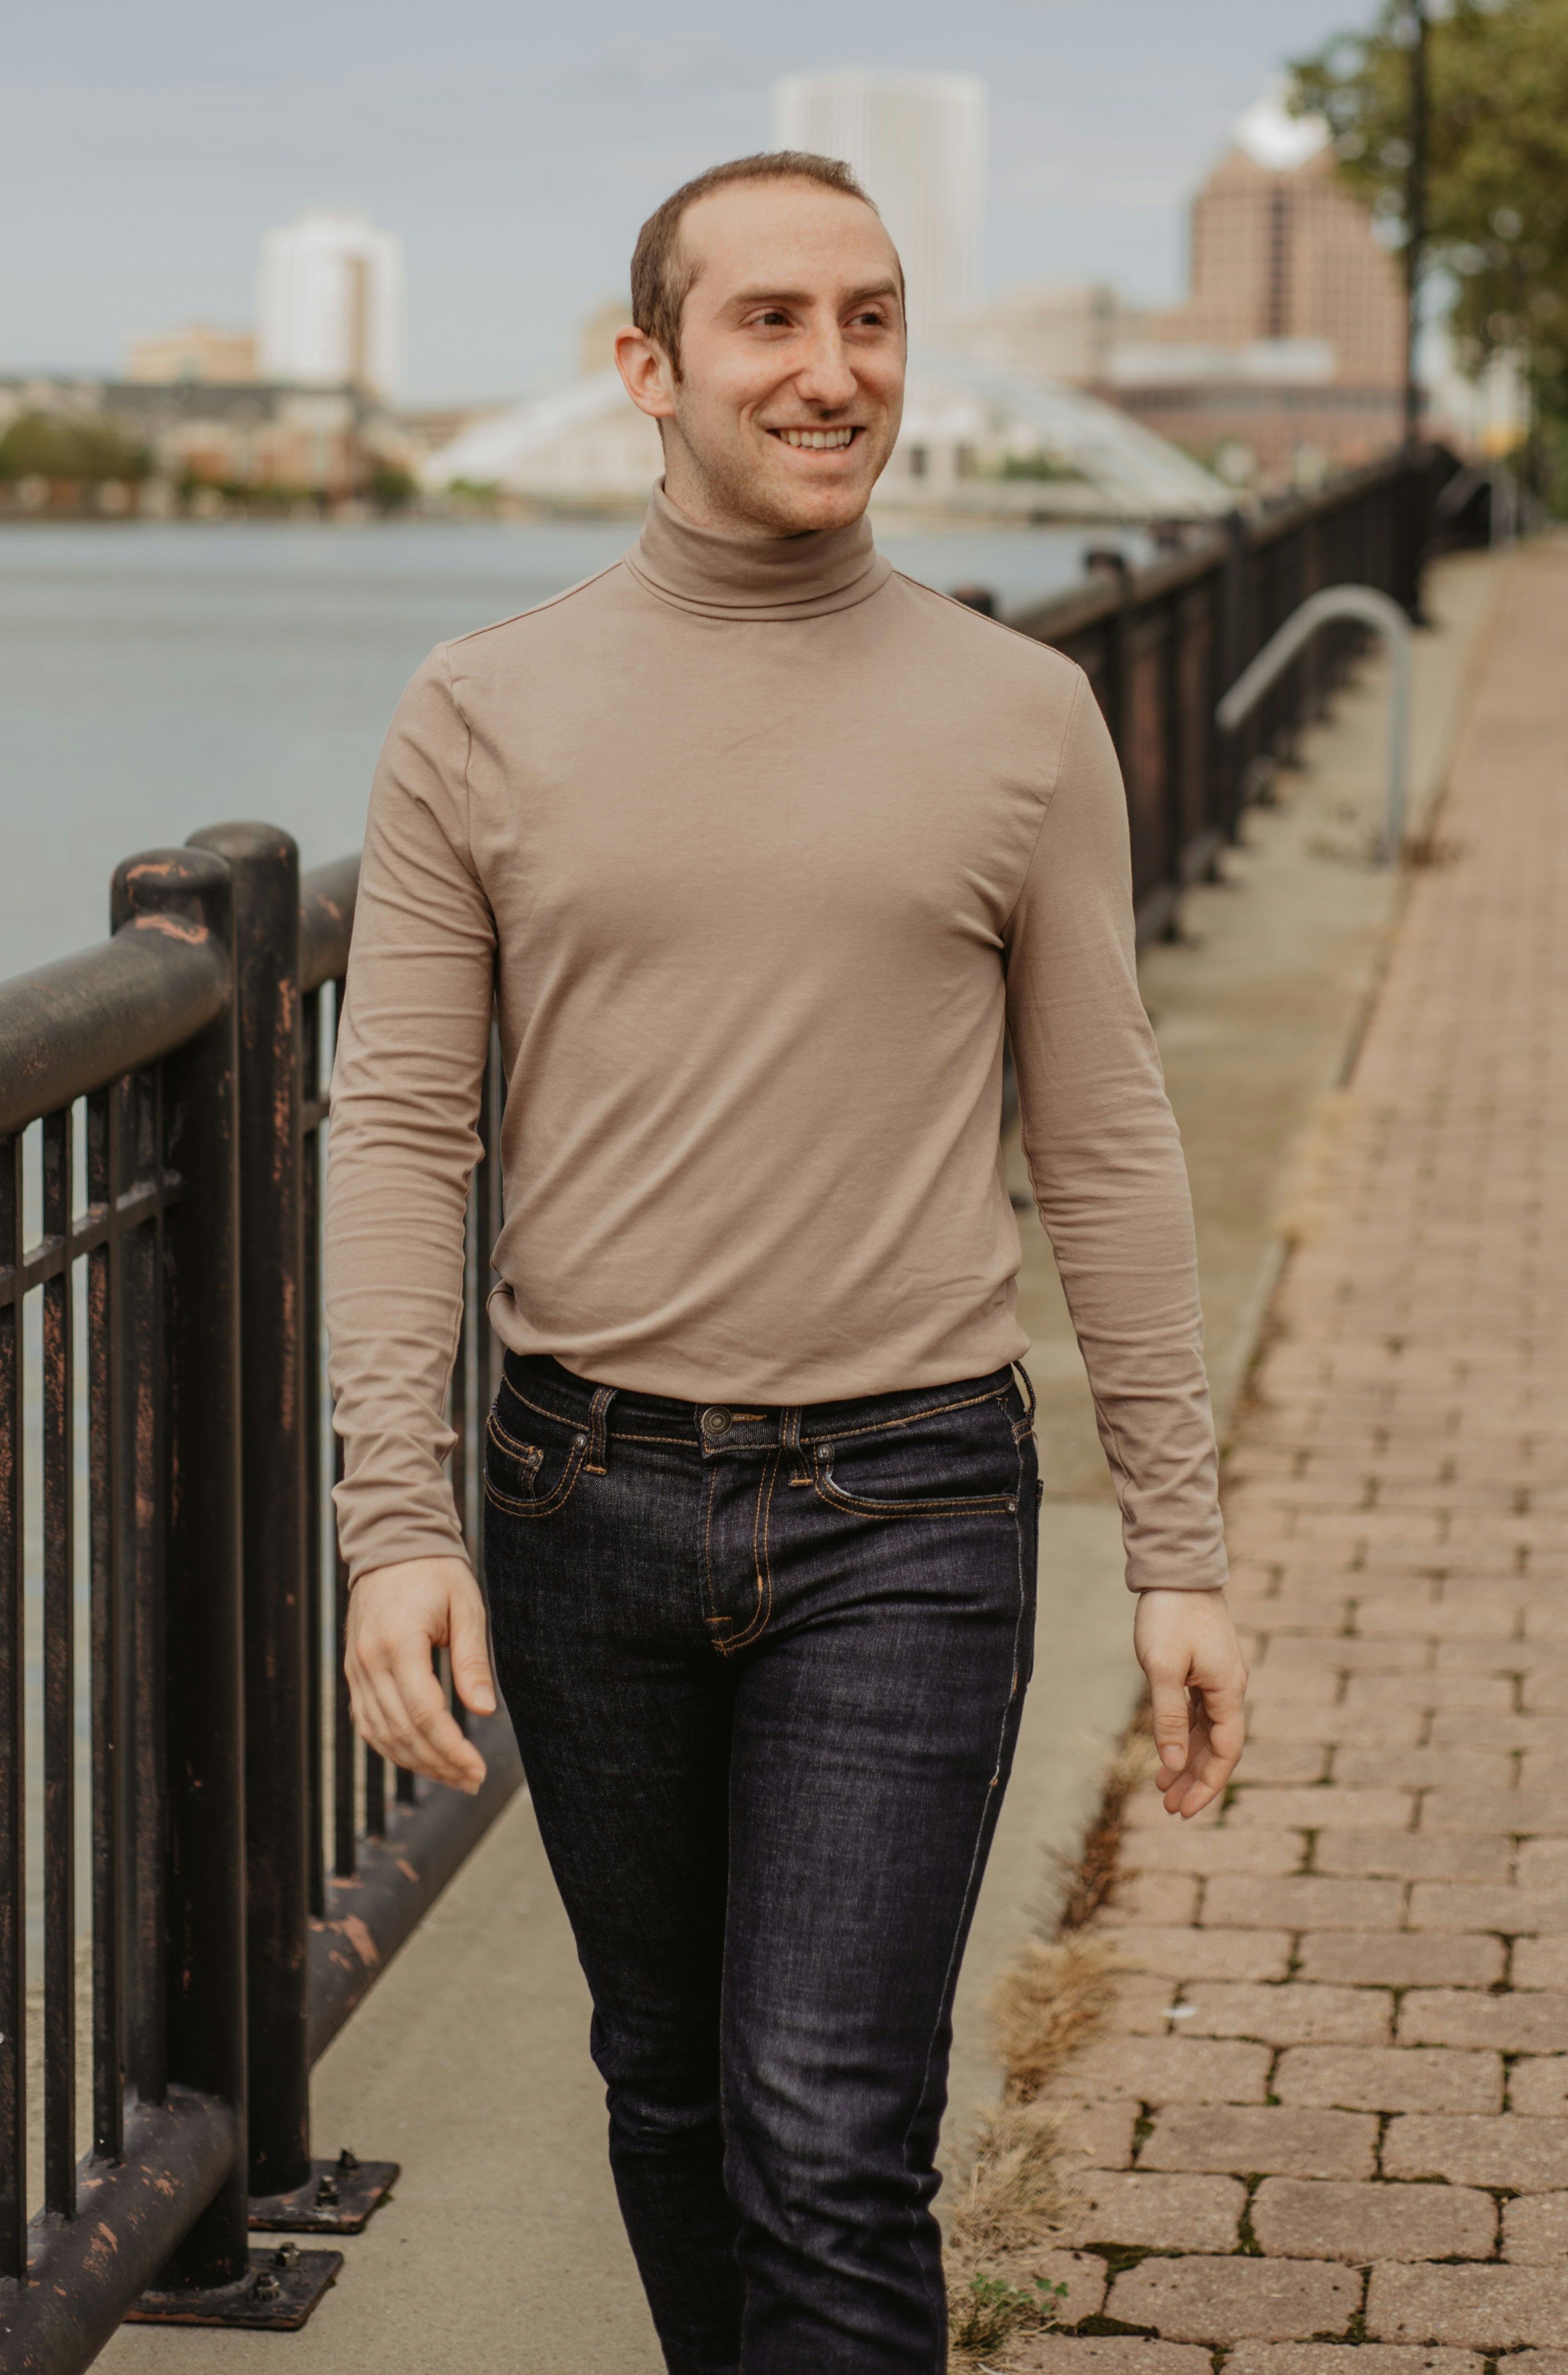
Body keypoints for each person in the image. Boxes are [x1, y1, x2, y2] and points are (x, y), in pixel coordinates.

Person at [324, 150, 1246, 2375]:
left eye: (871, 319)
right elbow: (403, 1127)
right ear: (646, 367)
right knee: (667, 2089)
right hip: (578, 1502)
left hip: (906, 1508)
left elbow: (1106, 1142)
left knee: (829, 2130)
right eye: (768, 321)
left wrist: (1185, 1549)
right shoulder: (479, 707)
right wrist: (395, 1519)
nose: (830, 372)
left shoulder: (1018, 716)